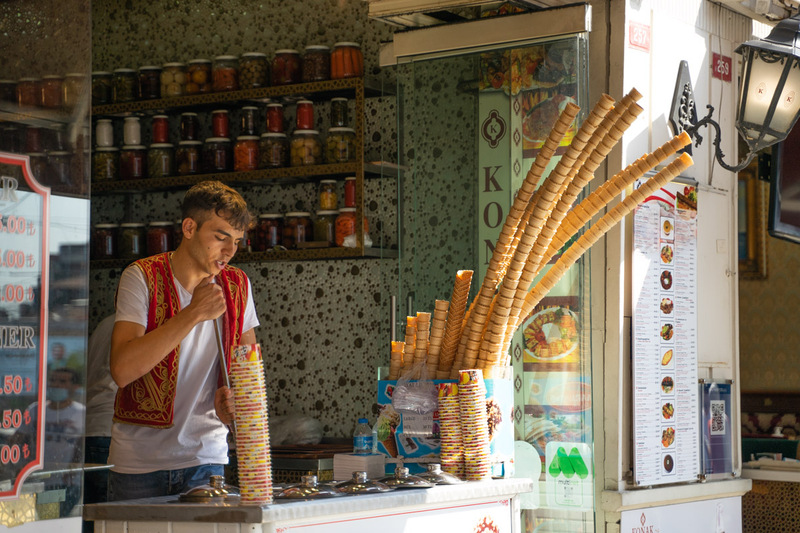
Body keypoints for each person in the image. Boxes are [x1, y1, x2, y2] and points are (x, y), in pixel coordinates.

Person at [107, 180, 259, 501]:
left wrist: (236, 406)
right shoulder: (141, 276)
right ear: (189, 227)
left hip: (207, 457)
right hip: (138, 461)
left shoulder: (238, 285)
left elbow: (249, 374)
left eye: (236, 241)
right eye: (220, 237)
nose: (230, 251)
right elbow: (122, 369)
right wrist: (193, 313)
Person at [12, 367, 85, 516]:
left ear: (74, 387)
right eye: (53, 380)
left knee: (53, 519)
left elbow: (82, 446)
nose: (56, 385)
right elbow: (17, 440)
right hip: (37, 480)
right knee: (42, 520)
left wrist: (72, 468)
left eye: (62, 381)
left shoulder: (80, 413)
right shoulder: (35, 410)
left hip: (66, 483)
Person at [83, 314, 117, 531]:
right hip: (111, 429)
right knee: (107, 519)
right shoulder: (136, 324)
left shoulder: (105, 323)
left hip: (91, 426)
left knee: (88, 515)